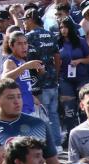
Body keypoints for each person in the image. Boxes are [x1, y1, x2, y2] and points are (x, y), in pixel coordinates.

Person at [23, 8, 62, 151]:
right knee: (53, 113)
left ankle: (48, 146)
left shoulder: (28, 37)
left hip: (39, 83)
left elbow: (27, 61)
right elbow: (57, 58)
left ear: (31, 20)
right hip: (52, 80)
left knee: (42, 116)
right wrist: (56, 75)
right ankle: (57, 144)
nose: (24, 23)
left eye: (25, 20)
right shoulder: (50, 34)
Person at [58, 17, 89, 137]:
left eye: (66, 27)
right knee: (69, 109)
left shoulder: (80, 41)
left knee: (83, 107)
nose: (63, 30)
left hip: (81, 78)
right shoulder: (58, 42)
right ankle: (70, 135)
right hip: (65, 79)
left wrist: (79, 61)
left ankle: (86, 134)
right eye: (61, 27)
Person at [1, 30, 43, 115]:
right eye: (19, 44)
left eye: (25, 43)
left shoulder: (23, 61)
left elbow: (24, 87)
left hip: (30, 108)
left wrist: (33, 98)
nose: (24, 47)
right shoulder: (10, 62)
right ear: (11, 46)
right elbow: (4, 78)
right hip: (20, 111)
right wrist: (25, 66)